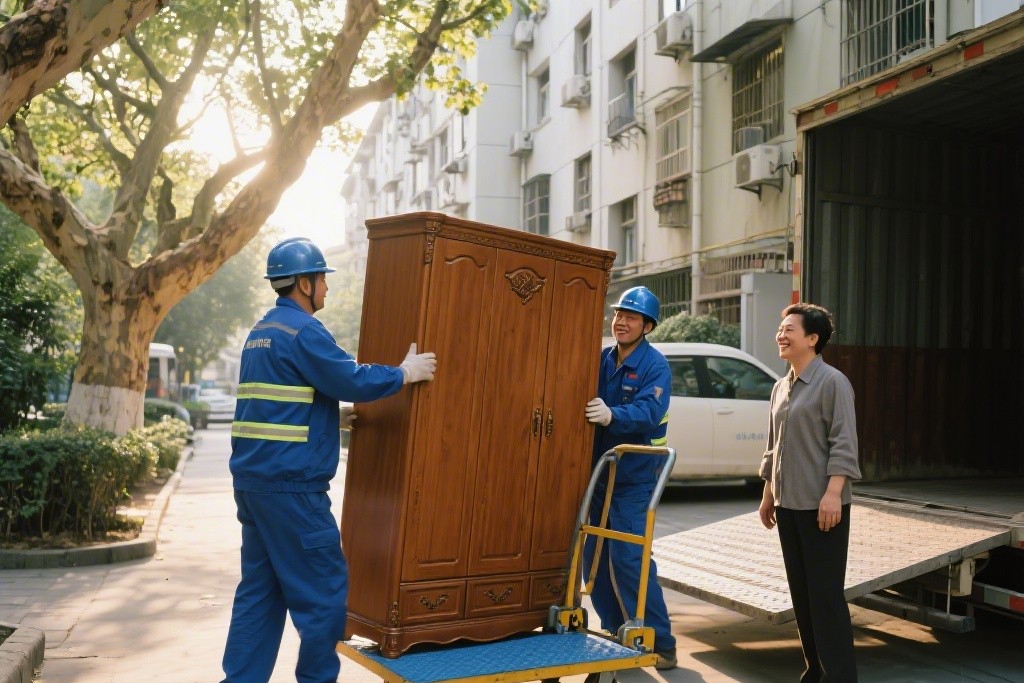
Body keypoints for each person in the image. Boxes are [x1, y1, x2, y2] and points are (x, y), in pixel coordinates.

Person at [220, 237, 437, 683]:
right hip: (292, 491)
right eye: (322, 279)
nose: (327, 288)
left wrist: (329, 419)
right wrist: (404, 373)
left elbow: (277, 406)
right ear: (304, 282)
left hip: (255, 487)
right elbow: (348, 377)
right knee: (324, 598)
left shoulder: (261, 333)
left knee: (259, 597)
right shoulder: (304, 331)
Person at [758, 303, 861, 683]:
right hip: (787, 504)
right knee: (801, 595)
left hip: (822, 507)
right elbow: (774, 446)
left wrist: (834, 493)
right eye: (780, 328)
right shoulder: (780, 385)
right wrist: (769, 493)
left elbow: (844, 443)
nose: (781, 335)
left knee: (826, 598)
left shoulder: (833, 382)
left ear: (813, 339)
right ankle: (814, 671)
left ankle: (841, 677)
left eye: (790, 330)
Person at [582, 286, 677, 671]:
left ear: (647, 326)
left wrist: (612, 416)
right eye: (619, 314)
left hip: (635, 478)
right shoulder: (604, 358)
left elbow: (650, 411)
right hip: (600, 475)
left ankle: (661, 642)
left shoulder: (655, 366)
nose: (622, 322)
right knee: (593, 558)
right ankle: (617, 632)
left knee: (628, 558)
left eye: (632, 317)